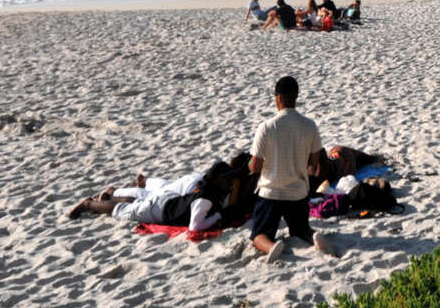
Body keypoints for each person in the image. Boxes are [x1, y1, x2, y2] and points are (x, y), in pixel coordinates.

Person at [248, 75, 325, 263]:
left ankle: (271, 246)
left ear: (278, 98)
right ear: (296, 96)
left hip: (271, 193)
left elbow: (255, 166)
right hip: (298, 192)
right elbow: (313, 162)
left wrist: (250, 166)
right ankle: (313, 236)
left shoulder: (266, 127)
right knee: (300, 230)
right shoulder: (309, 125)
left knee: (258, 235)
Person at [68, 154, 253, 232]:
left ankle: (113, 195)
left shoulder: (207, 189)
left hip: (168, 201)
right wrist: (219, 216)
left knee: (137, 203)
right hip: (161, 208)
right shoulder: (204, 198)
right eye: (227, 181)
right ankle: (89, 204)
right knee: (122, 210)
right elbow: (195, 227)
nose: (230, 184)